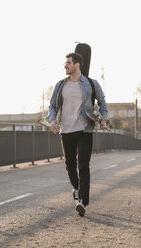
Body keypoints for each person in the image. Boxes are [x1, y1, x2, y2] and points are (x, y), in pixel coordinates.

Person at [48, 52, 108, 216]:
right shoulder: (60, 85)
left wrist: (103, 119)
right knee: (70, 167)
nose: (65, 65)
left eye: (68, 63)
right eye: (65, 63)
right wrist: (52, 121)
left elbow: (102, 103)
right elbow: (52, 106)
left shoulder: (91, 83)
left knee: (83, 165)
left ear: (77, 65)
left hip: (84, 130)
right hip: (66, 130)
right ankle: (76, 189)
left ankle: (82, 200)